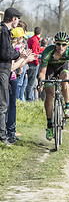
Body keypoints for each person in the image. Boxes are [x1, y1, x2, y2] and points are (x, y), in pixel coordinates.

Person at [37, 32, 69, 140]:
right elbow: (42, 71)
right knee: (49, 94)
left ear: (67, 45)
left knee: (65, 80)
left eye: (64, 45)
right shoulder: (48, 51)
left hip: (63, 68)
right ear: (55, 43)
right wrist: (41, 82)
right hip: (50, 69)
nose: (61, 47)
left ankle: (68, 106)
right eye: (58, 44)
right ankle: (49, 125)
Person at [7, 27, 36, 143]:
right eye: (21, 39)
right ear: (17, 39)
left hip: (12, 78)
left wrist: (26, 60)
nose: (23, 41)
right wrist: (24, 59)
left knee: (12, 106)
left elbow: (18, 65)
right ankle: (8, 132)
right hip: (10, 79)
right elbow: (13, 67)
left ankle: (11, 131)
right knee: (9, 106)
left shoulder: (15, 49)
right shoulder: (12, 49)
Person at [0, 8, 23, 144]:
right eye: (18, 19)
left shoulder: (5, 31)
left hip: (4, 70)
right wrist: (18, 54)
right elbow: (5, 54)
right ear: (13, 19)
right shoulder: (3, 31)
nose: (18, 21)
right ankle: (2, 137)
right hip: (2, 70)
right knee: (3, 105)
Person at [26, 27, 42, 102]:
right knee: (31, 83)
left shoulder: (31, 39)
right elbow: (35, 53)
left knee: (29, 82)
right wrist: (37, 63)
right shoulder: (35, 41)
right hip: (33, 63)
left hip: (29, 62)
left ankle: (28, 97)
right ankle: (29, 99)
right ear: (40, 33)